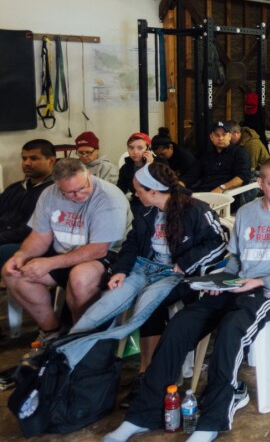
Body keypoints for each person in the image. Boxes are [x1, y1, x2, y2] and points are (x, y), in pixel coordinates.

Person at [103, 157, 270, 442]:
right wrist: (222, 281)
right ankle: (142, 414)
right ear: (260, 183)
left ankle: (213, 418)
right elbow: (234, 259)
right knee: (180, 326)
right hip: (236, 286)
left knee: (231, 333)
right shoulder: (246, 213)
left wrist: (262, 281)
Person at [69, 162, 228, 408]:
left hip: (176, 273)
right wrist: (120, 271)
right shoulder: (144, 211)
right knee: (107, 303)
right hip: (144, 268)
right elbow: (132, 243)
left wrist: (186, 262)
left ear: (154, 191)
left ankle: (146, 374)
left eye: (138, 190)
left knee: (148, 305)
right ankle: (70, 357)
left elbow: (218, 241)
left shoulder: (195, 210)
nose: (135, 194)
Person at [2, 158, 130, 346]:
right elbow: (40, 237)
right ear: (58, 186)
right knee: (13, 273)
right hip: (64, 251)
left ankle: (82, 339)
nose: (78, 195)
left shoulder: (109, 197)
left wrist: (50, 263)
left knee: (80, 277)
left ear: (89, 175)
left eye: (82, 187)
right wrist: (21, 255)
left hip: (106, 255)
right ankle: (52, 331)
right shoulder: (49, 194)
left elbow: (98, 249)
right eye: (69, 192)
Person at [0, 139, 57, 268]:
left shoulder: (55, 192)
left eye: (34, 158)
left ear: (51, 161)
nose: (27, 163)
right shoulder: (15, 187)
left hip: (28, 244)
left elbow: (31, 230)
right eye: (24, 158)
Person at [193, 121, 254, 194]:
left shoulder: (240, 153)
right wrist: (180, 184)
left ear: (230, 136)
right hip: (203, 193)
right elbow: (193, 174)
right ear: (211, 137)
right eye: (216, 135)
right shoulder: (207, 155)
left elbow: (242, 177)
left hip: (226, 196)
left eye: (224, 135)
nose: (220, 138)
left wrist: (221, 188)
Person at [117, 132, 155, 208]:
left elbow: (157, 187)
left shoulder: (159, 163)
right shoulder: (126, 168)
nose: (135, 152)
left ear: (148, 149)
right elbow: (120, 190)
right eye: (131, 148)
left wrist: (149, 166)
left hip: (156, 202)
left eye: (140, 148)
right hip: (137, 203)